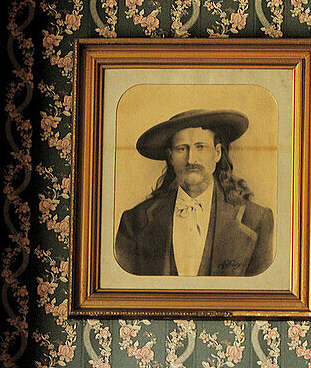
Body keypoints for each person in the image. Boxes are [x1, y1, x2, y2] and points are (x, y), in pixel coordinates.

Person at [114, 108, 274, 277]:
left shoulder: (256, 220)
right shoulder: (134, 222)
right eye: (182, 149)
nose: (191, 159)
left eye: (201, 147)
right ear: (170, 157)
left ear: (217, 153)